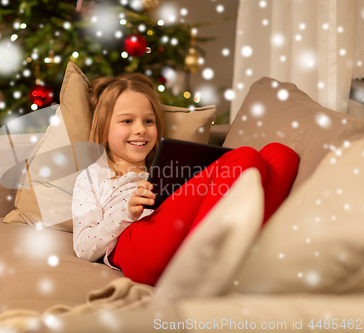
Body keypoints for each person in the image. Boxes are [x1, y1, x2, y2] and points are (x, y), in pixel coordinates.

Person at [72, 73, 300, 287]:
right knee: (245, 156)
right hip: (135, 245)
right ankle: (197, 265)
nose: (141, 129)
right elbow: (83, 248)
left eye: (148, 121)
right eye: (127, 121)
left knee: (281, 155)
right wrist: (127, 212)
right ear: (103, 129)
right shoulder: (93, 177)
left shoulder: (165, 166)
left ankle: (233, 260)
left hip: (180, 233)